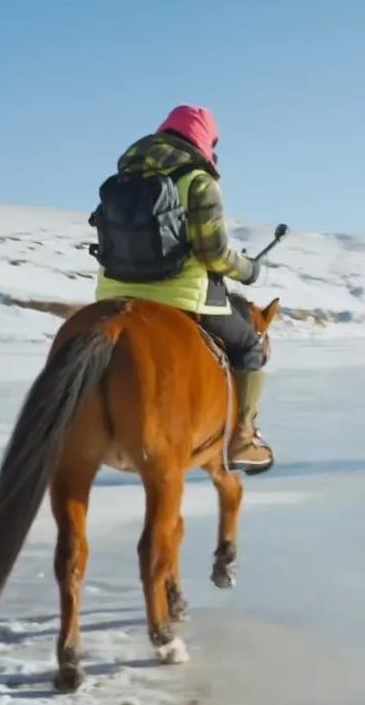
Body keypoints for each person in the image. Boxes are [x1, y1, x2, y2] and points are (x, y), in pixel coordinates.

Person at [93, 105, 274, 473]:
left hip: (114, 295)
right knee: (248, 345)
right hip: (181, 296)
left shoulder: (125, 178)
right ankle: (242, 437)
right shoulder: (198, 181)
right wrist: (250, 271)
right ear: (205, 141)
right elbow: (214, 253)